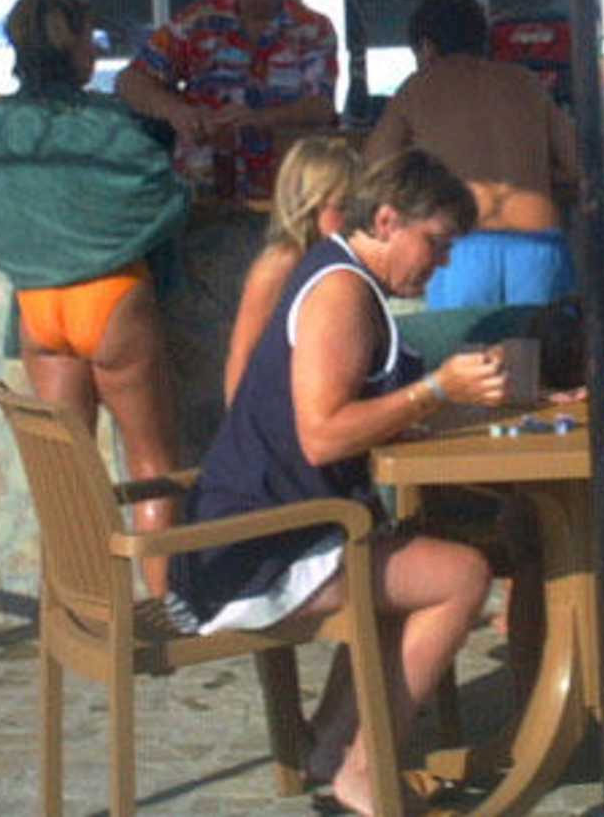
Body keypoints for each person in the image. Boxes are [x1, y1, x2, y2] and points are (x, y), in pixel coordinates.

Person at [167, 149, 505, 817]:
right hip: (256, 548)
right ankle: (363, 772)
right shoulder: (341, 294)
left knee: (416, 555)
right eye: (436, 243)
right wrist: (437, 389)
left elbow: (359, 412)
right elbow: (323, 435)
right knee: (462, 576)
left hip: (258, 533)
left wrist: (489, 401)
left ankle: (328, 745)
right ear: (386, 220)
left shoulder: (341, 276)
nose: (442, 263)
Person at [0, 0, 191, 591]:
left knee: (67, 477)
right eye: (90, 39)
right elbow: (161, 193)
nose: (95, 50)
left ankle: (83, 617)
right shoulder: (106, 121)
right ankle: (165, 608)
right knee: (151, 466)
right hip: (111, 300)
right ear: (71, 49)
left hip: (39, 309)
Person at [365, 0, 582, 308]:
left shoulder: (419, 87)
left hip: (460, 247)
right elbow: (577, 165)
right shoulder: (526, 83)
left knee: (466, 343)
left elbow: (375, 168)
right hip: (537, 242)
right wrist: (530, 168)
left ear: (426, 47)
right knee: (545, 342)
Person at [118, 0, 337, 200]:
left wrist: (260, 118)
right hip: (200, 189)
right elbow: (131, 81)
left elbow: (321, 107)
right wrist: (176, 111)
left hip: (285, 192)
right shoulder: (197, 22)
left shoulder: (313, 29)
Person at [223, 134, 362, 403]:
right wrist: (239, 419)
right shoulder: (281, 264)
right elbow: (242, 353)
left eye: (359, 207)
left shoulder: (339, 259)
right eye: (343, 207)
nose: (353, 219)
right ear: (308, 206)